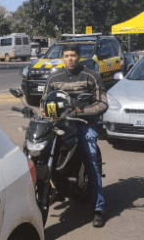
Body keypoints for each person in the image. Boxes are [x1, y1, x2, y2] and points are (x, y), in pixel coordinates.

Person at [40, 43, 108, 227]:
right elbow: (44, 103)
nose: (70, 58)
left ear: (79, 57)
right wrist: (45, 112)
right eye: (67, 55)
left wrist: (82, 111)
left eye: (73, 55)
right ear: (63, 57)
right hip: (59, 123)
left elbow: (102, 104)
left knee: (91, 158)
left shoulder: (91, 76)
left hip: (83, 124)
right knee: (39, 153)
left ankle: (99, 208)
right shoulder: (54, 78)